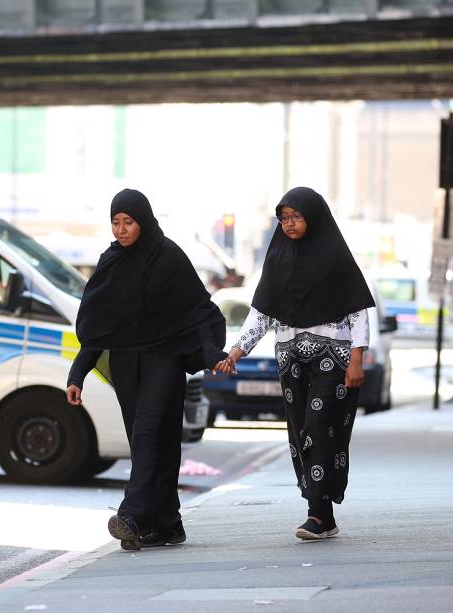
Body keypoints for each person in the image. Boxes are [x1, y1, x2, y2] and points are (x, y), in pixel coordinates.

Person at [66, 188, 227, 551]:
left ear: (145, 222)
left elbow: (198, 311)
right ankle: (166, 524)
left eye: (129, 222)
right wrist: (78, 374)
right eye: (116, 222)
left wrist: (212, 352)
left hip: (165, 360)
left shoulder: (168, 257)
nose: (121, 230)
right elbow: (99, 326)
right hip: (126, 363)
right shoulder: (112, 261)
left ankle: (132, 515)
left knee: (149, 434)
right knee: (154, 445)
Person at [215, 187, 375, 541]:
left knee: (319, 427)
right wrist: (237, 351)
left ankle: (317, 516)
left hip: (333, 358)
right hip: (290, 360)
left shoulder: (334, 256)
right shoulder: (277, 257)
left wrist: (357, 358)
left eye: (296, 216)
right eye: (284, 218)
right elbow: (262, 311)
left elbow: (356, 308)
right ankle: (323, 513)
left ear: (313, 216)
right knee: (301, 433)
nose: (289, 224)